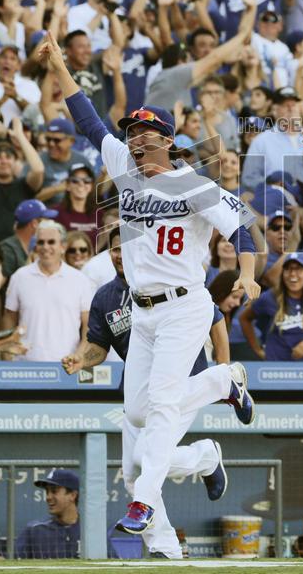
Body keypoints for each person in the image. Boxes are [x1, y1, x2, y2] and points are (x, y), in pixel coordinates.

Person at [41, 30, 260, 535]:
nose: (136, 141)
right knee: (138, 413)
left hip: (186, 306)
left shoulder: (196, 184)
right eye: (132, 134)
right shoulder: (124, 167)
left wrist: (247, 275)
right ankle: (224, 383)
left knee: (160, 406)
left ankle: (142, 503)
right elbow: (88, 119)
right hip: (141, 313)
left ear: (167, 139)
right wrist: (57, 63)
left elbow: (243, 229)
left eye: (145, 133)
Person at [62, 226, 247, 559]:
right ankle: (166, 545)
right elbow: (98, 348)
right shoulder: (106, 295)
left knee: (144, 459)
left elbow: (214, 318)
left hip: (182, 382)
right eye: (115, 249)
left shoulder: (163, 281)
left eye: (126, 246)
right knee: (134, 473)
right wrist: (81, 360)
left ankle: (221, 384)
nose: (121, 253)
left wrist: (222, 363)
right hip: (137, 391)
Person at [2, 220, 94, 363]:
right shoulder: (19, 277)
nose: (45, 247)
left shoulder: (80, 280)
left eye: (51, 242)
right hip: (24, 366)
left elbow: (88, 326)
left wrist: (79, 355)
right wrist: (8, 354)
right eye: (41, 242)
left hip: (67, 366)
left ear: (63, 246)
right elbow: (9, 319)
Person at [239, 252, 303, 361]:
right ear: (282, 273)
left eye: (298, 269)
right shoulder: (269, 298)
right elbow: (244, 318)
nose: (293, 274)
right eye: (288, 269)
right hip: (276, 369)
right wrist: (258, 350)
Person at [0, 468, 80, 560]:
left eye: (54, 491)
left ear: (72, 495)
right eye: (47, 491)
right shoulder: (35, 529)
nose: (48, 497)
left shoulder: (91, 531)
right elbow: (12, 565)